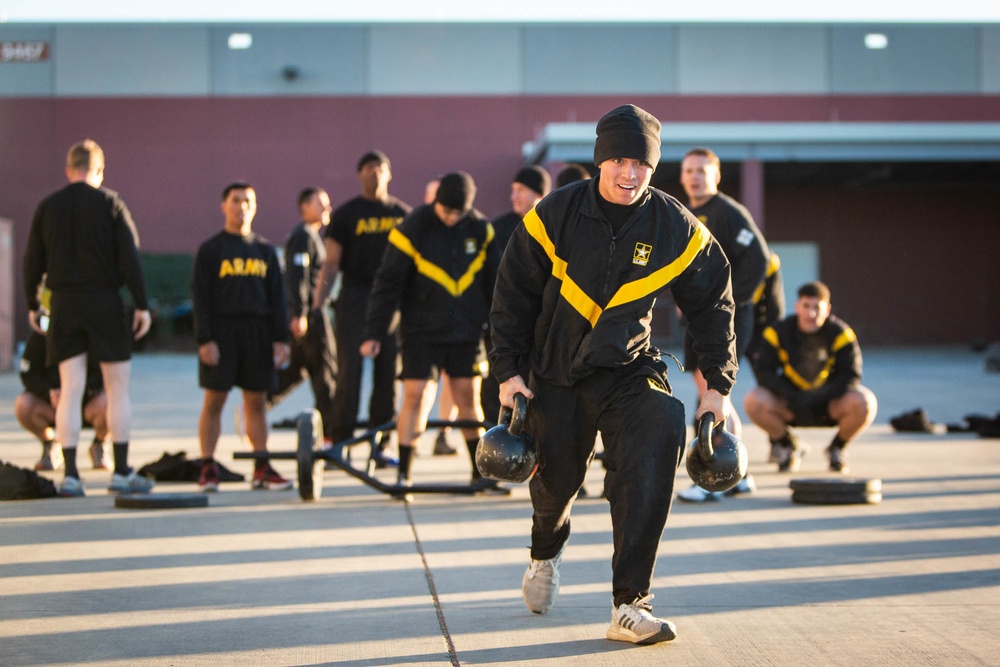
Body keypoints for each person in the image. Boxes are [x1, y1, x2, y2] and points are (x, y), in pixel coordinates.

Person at [489, 104, 737, 644]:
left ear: (654, 167)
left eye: (641, 164)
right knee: (555, 488)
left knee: (659, 433)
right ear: (601, 160)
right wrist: (508, 374)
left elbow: (713, 301)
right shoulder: (552, 215)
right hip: (554, 372)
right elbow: (511, 298)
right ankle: (545, 554)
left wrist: (718, 387)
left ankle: (631, 602)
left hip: (628, 368)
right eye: (619, 160)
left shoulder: (676, 227)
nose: (629, 174)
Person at [22, 139, 154, 497]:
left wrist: (34, 304)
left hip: (64, 304)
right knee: (118, 388)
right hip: (104, 302)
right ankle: (121, 471)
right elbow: (130, 256)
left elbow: (32, 259)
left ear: (68, 170)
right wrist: (141, 304)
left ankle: (71, 476)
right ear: (99, 170)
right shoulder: (111, 203)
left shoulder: (49, 207)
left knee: (69, 389)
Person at [361, 171, 503, 496]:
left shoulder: (481, 230)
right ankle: (405, 474)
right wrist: (374, 332)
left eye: (457, 213)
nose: (450, 218)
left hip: (465, 331)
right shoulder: (412, 228)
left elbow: (496, 285)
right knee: (417, 395)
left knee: (467, 397)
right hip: (420, 330)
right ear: (436, 201)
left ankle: (479, 473)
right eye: (445, 211)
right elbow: (387, 285)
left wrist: (498, 331)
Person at [675, 147, 770, 503]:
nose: (695, 176)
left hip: (724, 319)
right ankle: (737, 474)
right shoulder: (686, 214)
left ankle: (712, 477)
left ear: (716, 175)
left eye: (702, 170)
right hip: (699, 319)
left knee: (712, 397)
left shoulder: (729, 213)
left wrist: (727, 303)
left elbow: (759, 259)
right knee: (715, 398)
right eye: (688, 170)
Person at [191, 182, 293, 492]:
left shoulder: (264, 251)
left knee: (257, 402)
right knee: (214, 401)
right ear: (224, 206)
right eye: (235, 201)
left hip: (258, 334)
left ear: (255, 206)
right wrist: (205, 340)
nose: (242, 206)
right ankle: (208, 467)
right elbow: (200, 299)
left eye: (248, 200)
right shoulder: (211, 250)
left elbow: (278, 299)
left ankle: (261, 466)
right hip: (222, 333)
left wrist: (281, 339)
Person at [315, 150, 411, 467]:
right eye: (368, 168)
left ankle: (380, 444)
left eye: (380, 168)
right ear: (359, 174)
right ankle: (340, 443)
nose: (375, 173)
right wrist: (317, 305)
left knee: (388, 376)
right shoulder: (345, 215)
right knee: (349, 375)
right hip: (355, 298)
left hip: (391, 302)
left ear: (389, 173)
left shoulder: (403, 214)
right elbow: (330, 264)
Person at [744, 281, 878, 473]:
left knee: (865, 402)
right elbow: (764, 372)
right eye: (806, 306)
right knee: (753, 400)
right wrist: (791, 395)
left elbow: (851, 374)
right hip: (791, 403)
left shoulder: (841, 333)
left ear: (828, 308)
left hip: (829, 404)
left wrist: (821, 396)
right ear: (797, 306)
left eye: (817, 307)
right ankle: (788, 445)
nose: (811, 313)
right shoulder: (778, 332)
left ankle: (836, 449)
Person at [480, 165, 551, 425]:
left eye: (520, 190)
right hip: (503, 325)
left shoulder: (554, 226)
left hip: (544, 331)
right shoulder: (498, 229)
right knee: (495, 390)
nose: (514, 196)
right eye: (513, 190)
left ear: (539, 193)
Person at [267, 187, 338, 447]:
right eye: (321, 204)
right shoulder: (303, 237)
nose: (327, 209)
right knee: (325, 374)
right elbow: (297, 278)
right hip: (311, 316)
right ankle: (330, 440)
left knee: (297, 370)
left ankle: (259, 402)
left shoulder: (311, 237)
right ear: (305, 207)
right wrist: (300, 314)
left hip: (310, 314)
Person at [15, 330, 111, 472]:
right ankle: (51, 444)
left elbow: (105, 375)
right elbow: (28, 375)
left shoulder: (92, 331)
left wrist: (75, 393)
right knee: (23, 404)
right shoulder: (42, 334)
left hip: (85, 403)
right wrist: (49, 392)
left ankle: (99, 444)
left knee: (111, 404)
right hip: (53, 403)